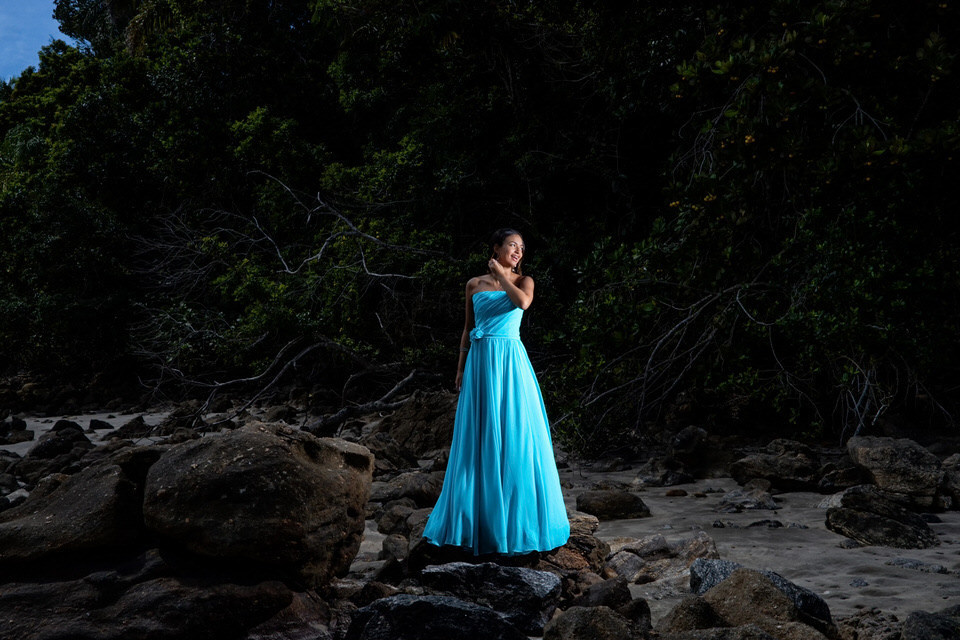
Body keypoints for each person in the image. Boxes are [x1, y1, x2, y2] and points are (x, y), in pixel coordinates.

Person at [422, 228, 571, 555]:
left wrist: (502, 275)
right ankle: (477, 521)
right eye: (512, 245)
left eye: (521, 247)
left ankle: (518, 522)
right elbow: (467, 328)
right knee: (480, 437)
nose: (518, 251)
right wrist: (460, 367)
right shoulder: (473, 285)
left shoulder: (523, 281)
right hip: (480, 364)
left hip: (511, 364)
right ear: (496, 247)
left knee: (515, 434)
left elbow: (522, 303)